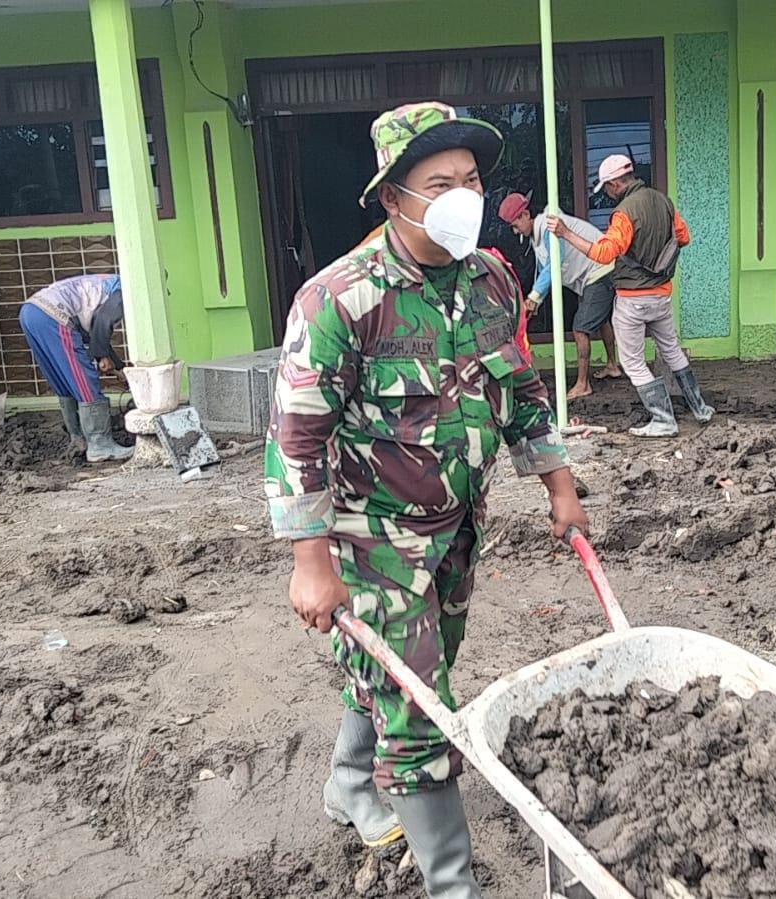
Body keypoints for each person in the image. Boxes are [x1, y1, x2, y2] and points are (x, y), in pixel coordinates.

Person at [265, 101, 587, 899]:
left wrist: (557, 482)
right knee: (418, 706)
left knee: (409, 668)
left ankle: (348, 783)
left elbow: (517, 385)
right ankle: (453, 885)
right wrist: (310, 562)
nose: (461, 197)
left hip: (456, 527)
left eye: (471, 180)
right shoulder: (340, 298)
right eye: (438, 182)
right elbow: (295, 437)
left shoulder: (490, 278)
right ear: (392, 197)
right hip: (370, 536)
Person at [549, 154, 713, 437]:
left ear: (614, 184)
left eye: (607, 189)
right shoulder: (663, 201)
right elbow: (683, 237)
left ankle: (663, 420)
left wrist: (566, 233)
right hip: (662, 295)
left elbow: (603, 253)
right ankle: (700, 408)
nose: (609, 195)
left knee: (633, 362)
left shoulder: (624, 213)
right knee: (671, 350)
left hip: (633, 298)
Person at [497, 192, 622, 399]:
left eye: (515, 224)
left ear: (525, 214)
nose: (514, 230)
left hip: (600, 270)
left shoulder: (549, 226)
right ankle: (612, 365)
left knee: (580, 328)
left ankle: (583, 384)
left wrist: (534, 297)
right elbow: (544, 271)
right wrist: (535, 300)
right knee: (599, 319)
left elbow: (555, 262)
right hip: (593, 273)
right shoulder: (537, 236)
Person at [17, 273, 134, 462]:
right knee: (82, 378)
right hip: (54, 314)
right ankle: (100, 444)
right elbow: (103, 322)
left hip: (30, 312)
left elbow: (95, 330)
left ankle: (78, 438)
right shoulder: (128, 290)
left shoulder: (108, 283)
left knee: (63, 378)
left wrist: (118, 366)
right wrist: (102, 357)